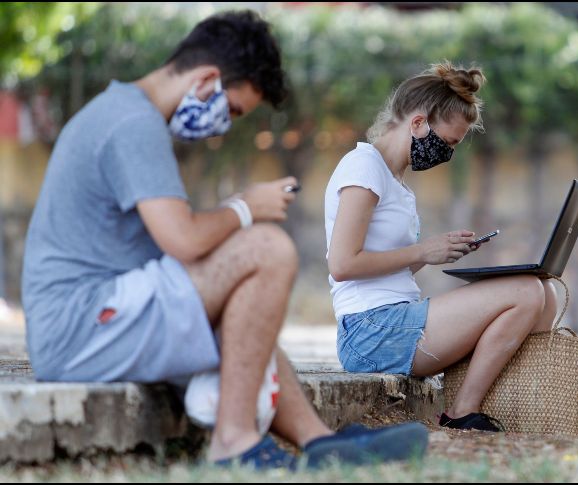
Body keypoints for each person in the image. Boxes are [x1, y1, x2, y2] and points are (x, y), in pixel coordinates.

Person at [22, 10, 427, 469]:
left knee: (243, 310)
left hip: (99, 315)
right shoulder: (131, 125)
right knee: (266, 249)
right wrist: (244, 208)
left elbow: (179, 244)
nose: (225, 125)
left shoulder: (127, 115)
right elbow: (184, 241)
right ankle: (234, 444)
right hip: (78, 326)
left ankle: (319, 443)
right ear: (206, 79)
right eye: (233, 109)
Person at [324, 62, 558, 432]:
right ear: (418, 124)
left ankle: (509, 406)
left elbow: (390, 266)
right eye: (448, 142)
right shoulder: (363, 167)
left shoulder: (396, 182)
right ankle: (462, 412)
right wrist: (423, 251)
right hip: (370, 330)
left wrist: (443, 251)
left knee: (545, 296)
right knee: (527, 291)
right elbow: (342, 264)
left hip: (395, 319)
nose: (447, 154)